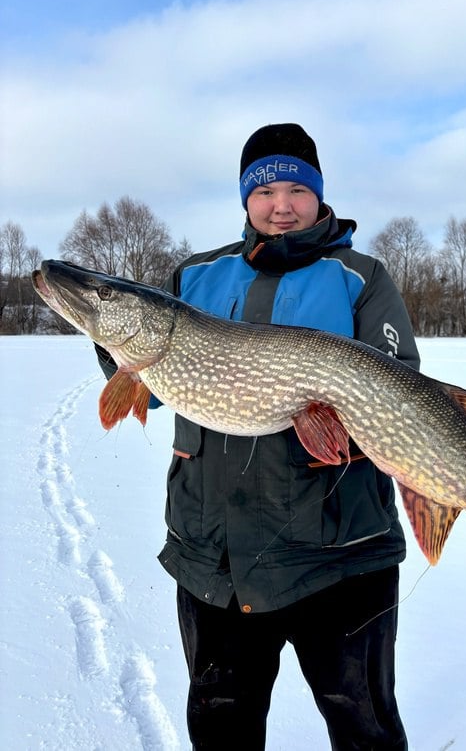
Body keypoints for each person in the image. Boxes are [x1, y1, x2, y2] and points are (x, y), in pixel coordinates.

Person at [98, 123, 420, 750]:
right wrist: (107, 333)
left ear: (320, 195)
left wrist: (336, 423)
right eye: (265, 189)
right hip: (215, 560)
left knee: (366, 733)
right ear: (245, 199)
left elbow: (400, 388)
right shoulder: (194, 275)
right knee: (223, 734)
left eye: (298, 188)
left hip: (342, 557)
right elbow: (143, 380)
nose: (282, 204)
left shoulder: (361, 276)